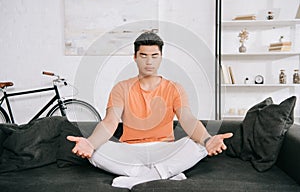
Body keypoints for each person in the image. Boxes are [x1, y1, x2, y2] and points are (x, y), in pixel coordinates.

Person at [67, 32, 233, 189]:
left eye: (154, 56)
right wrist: (90, 143)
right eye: (143, 56)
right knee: (95, 152)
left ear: (161, 58)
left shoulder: (175, 88)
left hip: (164, 149)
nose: (149, 62)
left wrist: (207, 140)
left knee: (198, 146)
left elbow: (188, 119)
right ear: (135, 57)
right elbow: (110, 121)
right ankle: (161, 174)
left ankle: (140, 178)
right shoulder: (121, 88)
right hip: (130, 150)